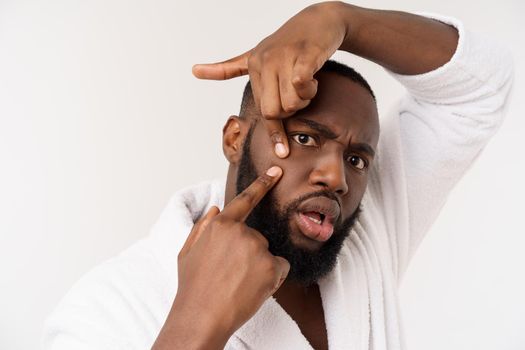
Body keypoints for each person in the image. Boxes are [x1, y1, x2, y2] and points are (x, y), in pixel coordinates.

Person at [42, 2, 513, 349]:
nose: (335, 176)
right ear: (234, 139)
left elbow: (479, 87)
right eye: (305, 139)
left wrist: (341, 20)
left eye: (357, 159)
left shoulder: (369, 233)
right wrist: (196, 321)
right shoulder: (110, 305)